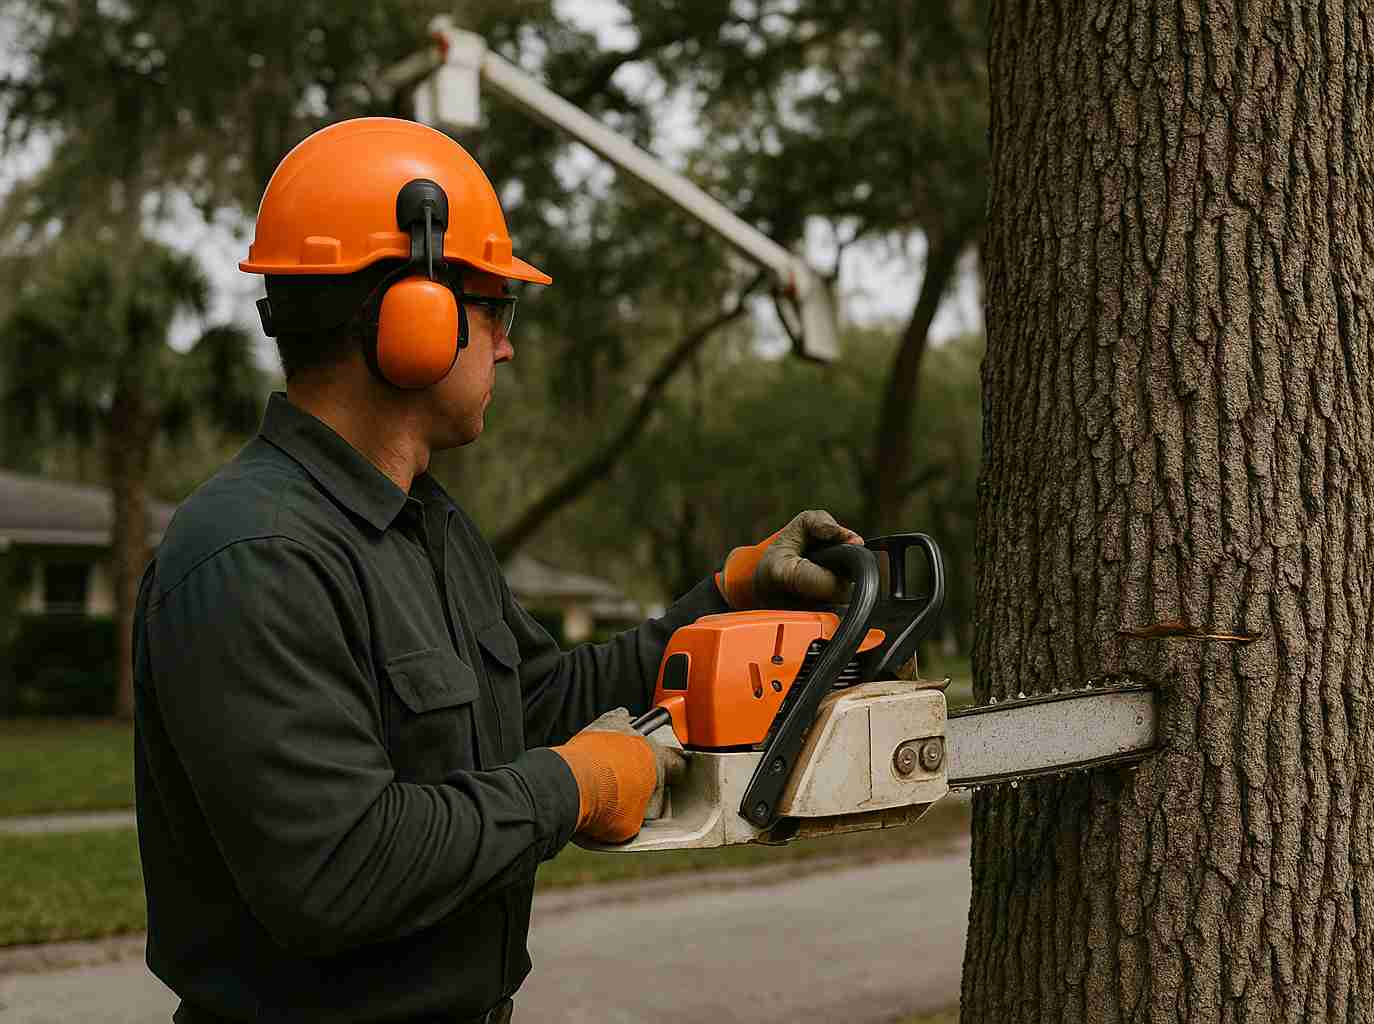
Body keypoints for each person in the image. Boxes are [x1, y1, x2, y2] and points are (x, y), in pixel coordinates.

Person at [131, 116, 861, 1024]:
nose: (508, 345)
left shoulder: (425, 524)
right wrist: (574, 787)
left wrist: (724, 598)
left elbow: (536, 705)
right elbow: (336, 872)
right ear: (414, 316)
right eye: (495, 311)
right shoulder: (251, 557)